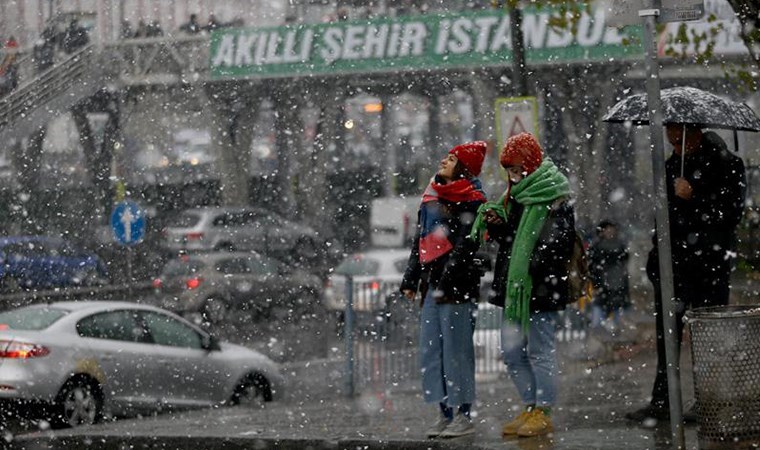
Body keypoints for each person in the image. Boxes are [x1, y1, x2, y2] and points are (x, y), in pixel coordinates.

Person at [626, 124, 746, 424]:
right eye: (670, 140)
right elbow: (664, 217)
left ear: (694, 134)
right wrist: (656, 260)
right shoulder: (670, 166)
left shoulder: (727, 164)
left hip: (709, 265)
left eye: (679, 140)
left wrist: (693, 197)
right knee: (667, 336)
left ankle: (709, 400)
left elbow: (730, 214)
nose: (675, 146)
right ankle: (663, 400)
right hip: (673, 267)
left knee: (707, 338)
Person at [470, 132, 574, 437]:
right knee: (512, 351)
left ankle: (544, 410)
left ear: (530, 164)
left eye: (517, 169)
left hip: (540, 287)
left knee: (541, 350)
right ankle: (530, 406)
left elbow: (559, 245)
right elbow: (510, 241)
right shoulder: (515, 196)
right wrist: (497, 225)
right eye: (509, 171)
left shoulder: (555, 195)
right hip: (515, 287)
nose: (513, 176)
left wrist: (531, 264)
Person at [399, 141, 487, 439]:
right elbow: (420, 242)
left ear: (463, 167)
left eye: (451, 159)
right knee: (431, 351)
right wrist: (411, 279)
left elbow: (467, 243)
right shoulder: (431, 196)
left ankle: (463, 413)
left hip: (457, 287)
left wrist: (448, 274)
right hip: (432, 286)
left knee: (457, 351)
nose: (444, 161)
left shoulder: (472, 200)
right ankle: (443, 411)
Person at [587, 219, 630, 332]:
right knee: (600, 319)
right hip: (604, 286)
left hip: (615, 286)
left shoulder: (618, 245)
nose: (610, 232)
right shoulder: (598, 247)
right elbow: (592, 267)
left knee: (615, 320)